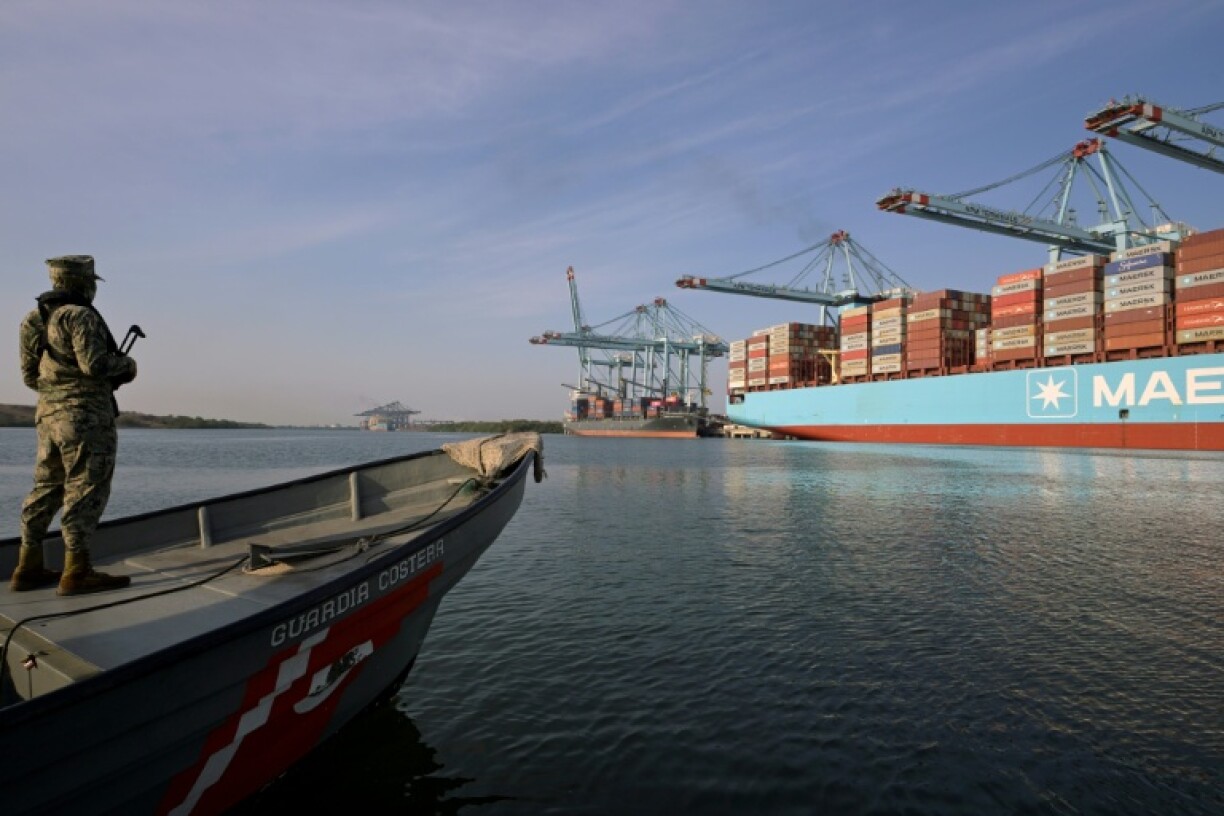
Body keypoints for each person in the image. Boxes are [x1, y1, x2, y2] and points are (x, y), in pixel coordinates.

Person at [10, 255, 138, 595]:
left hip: (47, 418)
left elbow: (28, 376)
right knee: (86, 487)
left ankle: (27, 565)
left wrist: (57, 395)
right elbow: (94, 366)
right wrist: (127, 364)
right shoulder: (80, 316)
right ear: (83, 282)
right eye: (91, 281)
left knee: (46, 485)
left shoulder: (32, 319)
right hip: (85, 418)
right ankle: (77, 570)